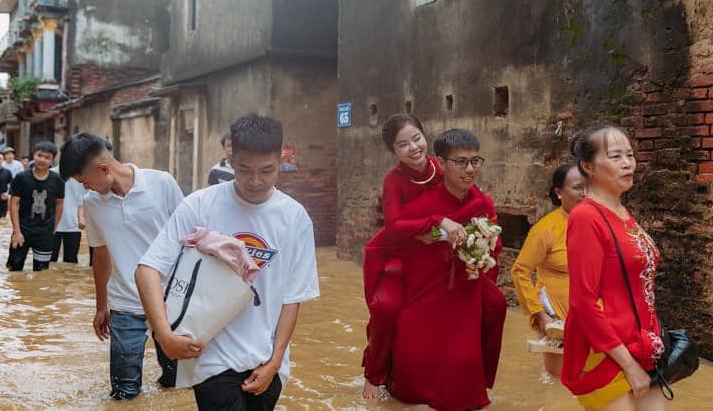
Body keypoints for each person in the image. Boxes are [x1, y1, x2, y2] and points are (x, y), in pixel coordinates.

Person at [136, 114, 320, 411]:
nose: (255, 181)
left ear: (280, 157)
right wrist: (163, 335)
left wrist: (275, 361)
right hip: (210, 356)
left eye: (267, 171)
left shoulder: (295, 218)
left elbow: (292, 297)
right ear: (230, 155)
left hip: (267, 359)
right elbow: (148, 269)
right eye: (245, 169)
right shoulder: (199, 205)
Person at [360, 114, 499, 399]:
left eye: (416, 138)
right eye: (403, 145)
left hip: (439, 245)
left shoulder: (442, 165)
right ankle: (374, 374)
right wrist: (437, 222)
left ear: (425, 138)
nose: (413, 148)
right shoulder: (393, 181)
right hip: (397, 248)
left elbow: (466, 193)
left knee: (496, 303)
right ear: (393, 152)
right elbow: (395, 227)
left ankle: (481, 375)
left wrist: (479, 220)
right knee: (387, 306)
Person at [59, 133, 182, 400]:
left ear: (104, 169)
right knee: (124, 393)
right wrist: (101, 306)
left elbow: (188, 240)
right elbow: (100, 256)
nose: (86, 189)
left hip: (171, 301)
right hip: (125, 304)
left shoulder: (162, 183)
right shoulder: (92, 204)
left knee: (177, 384)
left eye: (86, 182)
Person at [562, 125, 665, 411]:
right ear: (587, 166)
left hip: (640, 344)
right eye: (616, 156)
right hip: (608, 352)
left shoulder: (623, 213)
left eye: (630, 155)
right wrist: (628, 364)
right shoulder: (586, 217)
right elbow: (583, 301)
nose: (627, 163)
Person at [511, 164, 585, 378]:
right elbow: (520, 271)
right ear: (559, 192)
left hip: (593, 312)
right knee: (561, 379)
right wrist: (539, 314)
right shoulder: (545, 229)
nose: (585, 193)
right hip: (557, 315)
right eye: (578, 187)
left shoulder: (597, 223)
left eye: (588, 186)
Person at [6, 142, 65, 272]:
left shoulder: (57, 180)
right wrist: (16, 231)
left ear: (52, 159)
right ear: (34, 155)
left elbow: (59, 204)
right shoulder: (21, 177)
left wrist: (54, 229)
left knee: (42, 273)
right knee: (14, 270)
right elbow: (14, 204)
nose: (42, 159)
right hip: (22, 231)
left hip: (45, 233)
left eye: (47, 157)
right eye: (39, 155)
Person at [51, 176, 86, 264]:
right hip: (52, 226)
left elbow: (81, 202)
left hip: (73, 226)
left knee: (71, 263)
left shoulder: (78, 178)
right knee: (49, 261)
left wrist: (81, 218)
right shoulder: (52, 174)